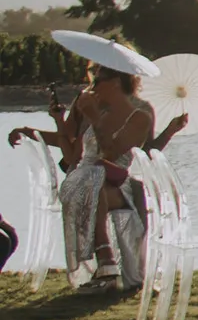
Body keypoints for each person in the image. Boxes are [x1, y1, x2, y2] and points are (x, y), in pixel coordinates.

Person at [26, 67, 180, 291]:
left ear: (117, 80)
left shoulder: (140, 111)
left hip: (117, 181)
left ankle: (107, 263)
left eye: (98, 79)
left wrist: (169, 132)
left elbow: (132, 153)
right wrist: (53, 122)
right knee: (89, 181)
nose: (92, 83)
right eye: (93, 78)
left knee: (93, 183)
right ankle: (105, 263)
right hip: (88, 177)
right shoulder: (87, 103)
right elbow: (70, 150)